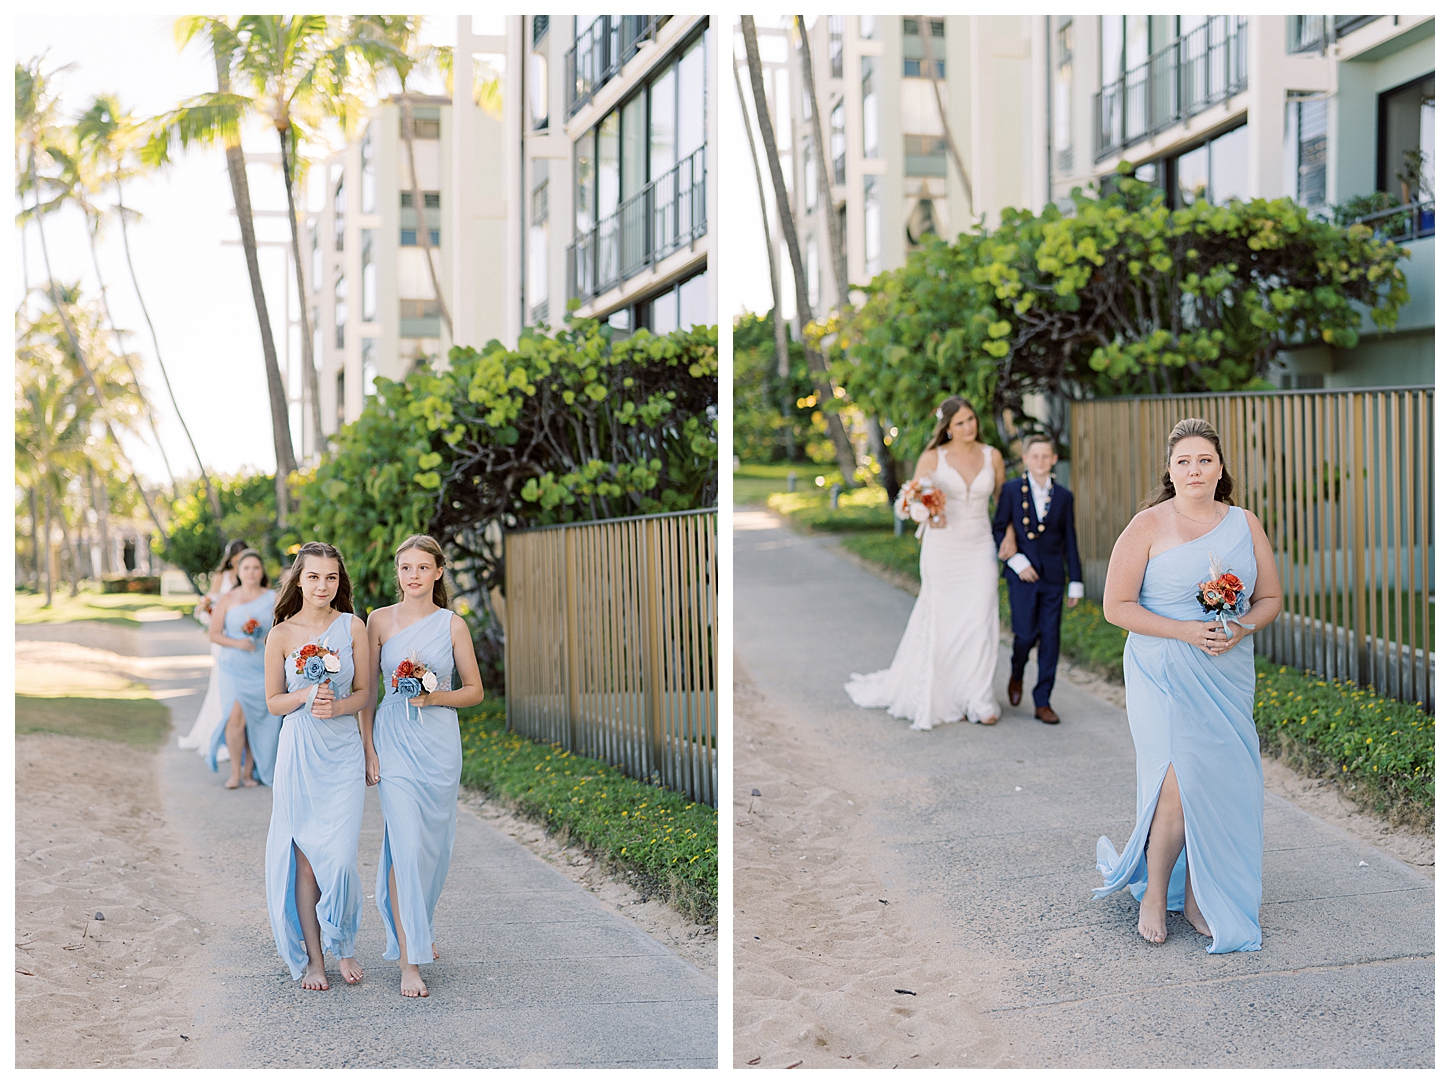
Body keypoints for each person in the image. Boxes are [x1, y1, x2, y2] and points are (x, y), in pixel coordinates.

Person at [1094, 418, 1282, 952]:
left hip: (1225, 670)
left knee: (1216, 779)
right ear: (1170, 471)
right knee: (1174, 781)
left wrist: (1240, 626)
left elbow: (1269, 599)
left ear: (1220, 468)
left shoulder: (1246, 523)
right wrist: (1184, 630)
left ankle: (1201, 894)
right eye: (1184, 462)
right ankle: (1155, 892)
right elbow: (1116, 607)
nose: (1194, 469)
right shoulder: (1147, 525)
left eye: (1204, 460)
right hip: (1163, 669)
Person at [365, 535, 485, 998]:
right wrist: (369, 749)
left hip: (438, 743)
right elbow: (368, 691)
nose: (412, 575)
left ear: (438, 572)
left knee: (432, 850)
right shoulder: (377, 621)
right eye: (404, 567)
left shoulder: (453, 625)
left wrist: (432, 695)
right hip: (393, 740)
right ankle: (409, 960)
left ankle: (419, 925)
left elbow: (474, 690)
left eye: (422, 567)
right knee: (407, 847)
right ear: (398, 573)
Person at [846, 396, 1007, 729]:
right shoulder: (933, 457)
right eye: (960, 422)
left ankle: (978, 697)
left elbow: (1002, 503)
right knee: (944, 621)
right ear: (947, 427)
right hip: (943, 550)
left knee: (980, 620)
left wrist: (1010, 538)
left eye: (971, 419)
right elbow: (909, 501)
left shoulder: (993, 456)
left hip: (980, 547)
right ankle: (943, 692)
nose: (968, 427)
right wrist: (925, 515)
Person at [263, 541, 371, 990]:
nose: (322, 585)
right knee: (306, 864)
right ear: (299, 579)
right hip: (300, 753)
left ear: (339, 581)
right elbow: (273, 703)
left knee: (341, 859)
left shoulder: (353, 627)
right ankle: (315, 960)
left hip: (342, 750)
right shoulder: (281, 635)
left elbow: (367, 693)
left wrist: (340, 708)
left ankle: (342, 941)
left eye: (330, 577)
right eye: (313, 577)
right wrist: (307, 696)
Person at [990, 435, 1084, 724]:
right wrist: (1017, 563)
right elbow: (997, 530)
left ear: (1054, 460)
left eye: (1047, 456)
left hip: (1053, 579)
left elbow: (1070, 539)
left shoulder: (1064, 496)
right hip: (1022, 578)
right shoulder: (1011, 490)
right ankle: (1017, 672)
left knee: (1050, 640)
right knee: (1025, 635)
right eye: (1035, 456)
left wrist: (1075, 581)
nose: (1041, 461)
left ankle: (1043, 701)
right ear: (1027, 459)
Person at [205, 549, 282, 787]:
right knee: (235, 717)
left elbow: (283, 629)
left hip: (262, 668)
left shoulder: (273, 597)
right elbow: (214, 634)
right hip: (234, 668)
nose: (251, 572)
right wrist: (237, 642)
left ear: (262, 571)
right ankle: (235, 774)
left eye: (256, 567)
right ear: (238, 572)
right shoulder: (228, 599)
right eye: (246, 568)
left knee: (258, 720)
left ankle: (249, 772)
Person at [179, 540, 248, 752]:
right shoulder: (221, 577)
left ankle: (240, 738)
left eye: (242, 560)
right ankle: (220, 739)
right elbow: (207, 603)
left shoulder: (249, 577)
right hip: (224, 639)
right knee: (222, 687)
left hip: (244, 638)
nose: (238, 565)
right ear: (229, 560)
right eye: (235, 561)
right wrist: (211, 614)